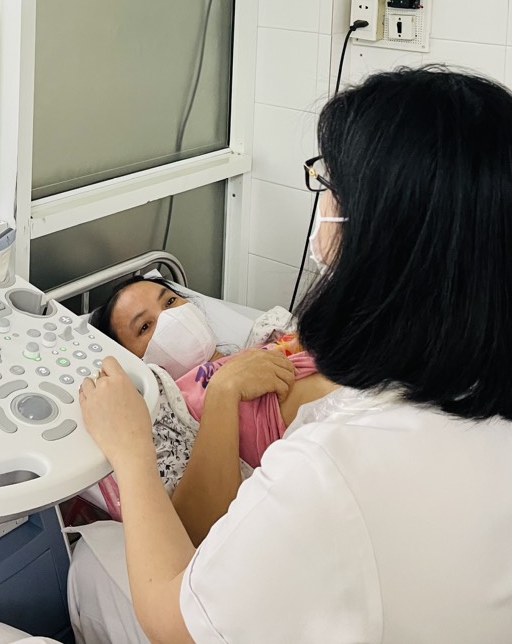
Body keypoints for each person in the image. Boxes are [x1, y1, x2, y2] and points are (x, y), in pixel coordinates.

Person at [69, 67, 512, 643]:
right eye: (145, 326)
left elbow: (177, 622)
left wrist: (131, 451)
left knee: (19, 606)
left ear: (382, 236)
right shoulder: (460, 383)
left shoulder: (327, 465)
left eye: (329, 184)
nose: (322, 201)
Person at [89, 277, 336, 541]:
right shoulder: (167, 413)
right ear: (132, 364)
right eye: (145, 327)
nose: (170, 318)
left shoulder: (262, 342)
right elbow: (193, 532)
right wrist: (224, 390)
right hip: (338, 424)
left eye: (170, 302)